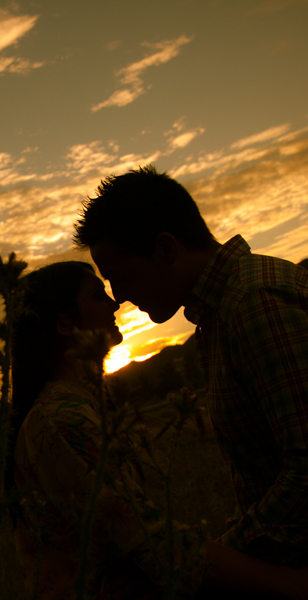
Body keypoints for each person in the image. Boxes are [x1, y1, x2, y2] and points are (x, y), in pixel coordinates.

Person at [8, 261, 308, 599]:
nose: (115, 303)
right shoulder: (63, 419)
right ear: (64, 324)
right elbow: (153, 542)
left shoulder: (75, 408)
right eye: (97, 296)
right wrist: (287, 582)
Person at [73, 165, 308, 572]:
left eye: (122, 277)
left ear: (166, 250)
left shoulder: (255, 303)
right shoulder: (220, 313)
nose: (120, 297)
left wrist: (217, 560)